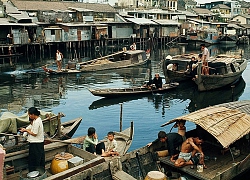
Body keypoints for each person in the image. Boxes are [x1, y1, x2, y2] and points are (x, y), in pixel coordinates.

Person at [20, 107, 45, 172]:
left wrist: (26, 130)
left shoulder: (37, 122)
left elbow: (34, 133)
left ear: (33, 114)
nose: (29, 116)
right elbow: (31, 127)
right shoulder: (36, 120)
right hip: (36, 142)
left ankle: (35, 172)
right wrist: (25, 130)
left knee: (35, 159)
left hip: (36, 143)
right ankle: (37, 171)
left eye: (29, 115)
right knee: (37, 158)